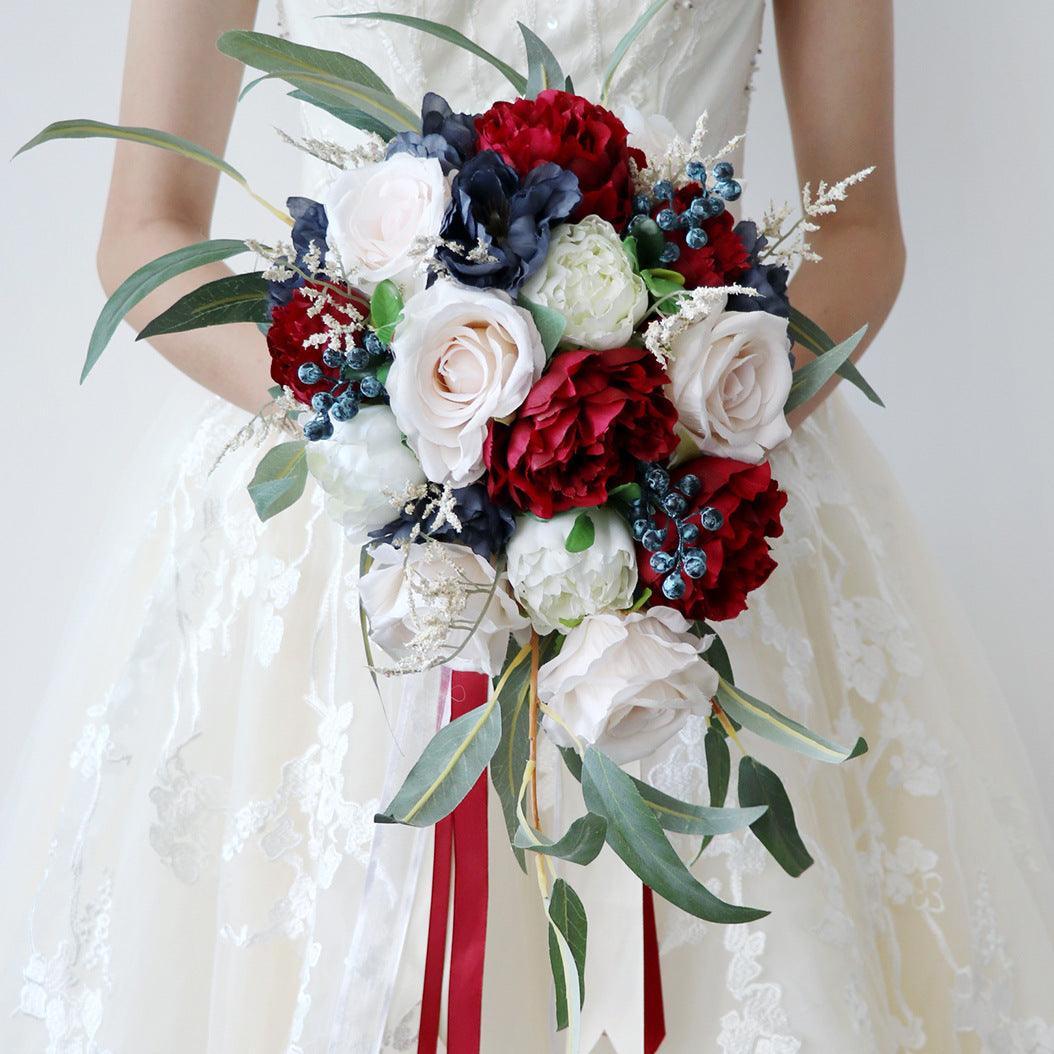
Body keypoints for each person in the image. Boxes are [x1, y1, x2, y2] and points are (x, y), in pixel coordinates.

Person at [4, 1, 1052, 1051]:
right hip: (347, 526)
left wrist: (653, 434)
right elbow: (147, 226)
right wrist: (392, 419)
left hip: (682, 496)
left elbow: (860, 228)